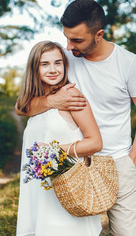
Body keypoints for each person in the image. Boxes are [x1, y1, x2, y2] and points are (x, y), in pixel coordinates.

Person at [16, 0, 136, 235]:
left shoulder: (128, 64)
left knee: (126, 232)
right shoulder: (63, 60)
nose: (69, 46)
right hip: (73, 163)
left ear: (99, 34)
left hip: (116, 160)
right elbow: (24, 107)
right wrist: (52, 100)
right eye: (67, 37)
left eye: (77, 40)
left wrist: (133, 157)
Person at [15, 41, 103, 236]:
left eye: (58, 63)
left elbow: (95, 142)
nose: (53, 69)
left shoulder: (71, 95)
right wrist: (51, 101)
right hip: (39, 191)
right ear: (34, 68)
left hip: (67, 187)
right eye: (45, 64)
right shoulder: (36, 102)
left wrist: (53, 151)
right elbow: (20, 107)